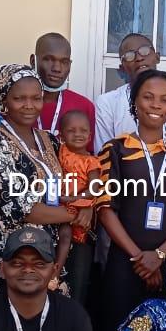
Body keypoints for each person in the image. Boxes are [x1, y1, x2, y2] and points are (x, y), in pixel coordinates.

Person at [95, 69, 166, 331]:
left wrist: (159, 255)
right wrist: (139, 258)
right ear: (134, 101)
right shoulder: (114, 149)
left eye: (165, 100)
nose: (156, 105)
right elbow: (105, 209)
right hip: (124, 262)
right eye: (148, 97)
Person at [0, 64, 77, 291]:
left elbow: (66, 187)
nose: (29, 105)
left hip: (51, 255)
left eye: (36, 98)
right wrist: (75, 214)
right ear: (4, 100)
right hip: (12, 256)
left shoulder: (49, 140)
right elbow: (17, 208)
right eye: (19, 98)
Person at [94, 33, 166, 150]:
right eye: (129, 56)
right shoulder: (107, 103)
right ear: (122, 68)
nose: (139, 58)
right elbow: (103, 154)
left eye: (144, 51)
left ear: (157, 57)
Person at [56, 110, 100, 305]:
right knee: (63, 234)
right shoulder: (60, 151)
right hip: (57, 208)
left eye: (83, 130)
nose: (78, 134)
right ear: (61, 135)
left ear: (90, 136)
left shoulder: (91, 161)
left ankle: (56, 271)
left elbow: (94, 189)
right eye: (71, 130)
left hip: (77, 208)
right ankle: (56, 273)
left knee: (70, 238)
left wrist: (74, 198)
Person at [32, 32, 95, 147]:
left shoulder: (84, 106)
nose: (57, 68)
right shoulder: (19, 106)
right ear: (33, 61)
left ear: (69, 65)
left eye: (64, 62)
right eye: (49, 59)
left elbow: (89, 153)